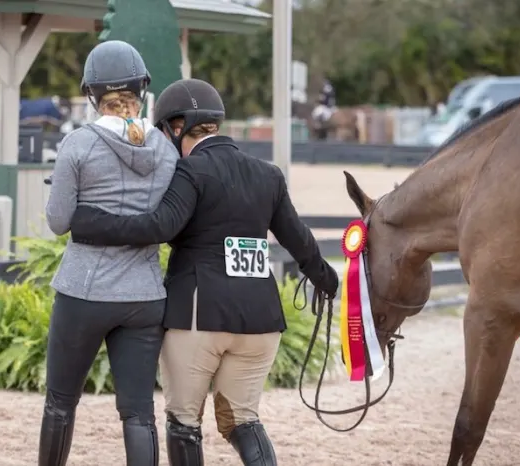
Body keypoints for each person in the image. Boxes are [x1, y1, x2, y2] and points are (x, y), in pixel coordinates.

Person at [68, 78, 340, 466]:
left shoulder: (191, 172)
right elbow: (301, 243)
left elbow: (158, 227)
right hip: (260, 323)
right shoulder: (268, 175)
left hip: (198, 319)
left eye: (164, 131)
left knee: (183, 422)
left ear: (177, 127)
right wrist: (328, 281)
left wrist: (88, 222)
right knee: (242, 421)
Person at [39, 40, 179, 466]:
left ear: (92, 95)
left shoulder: (78, 145)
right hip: (142, 294)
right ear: (141, 90)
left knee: (61, 400)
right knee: (138, 411)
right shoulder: (163, 148)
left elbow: (58, 222)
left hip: (84, 291)